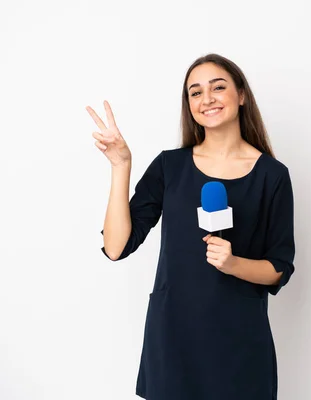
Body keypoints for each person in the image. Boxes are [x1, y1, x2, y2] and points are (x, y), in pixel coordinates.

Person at [87, 53, 295, 400]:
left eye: (218, 87)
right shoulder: (171, 166)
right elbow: (116, 246)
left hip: (240, 343)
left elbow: (279, 268)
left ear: (241, 94)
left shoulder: (272, 175)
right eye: (195, 92)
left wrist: (233, 263)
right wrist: (121, 165)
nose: (206, 99)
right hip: (174, 340)